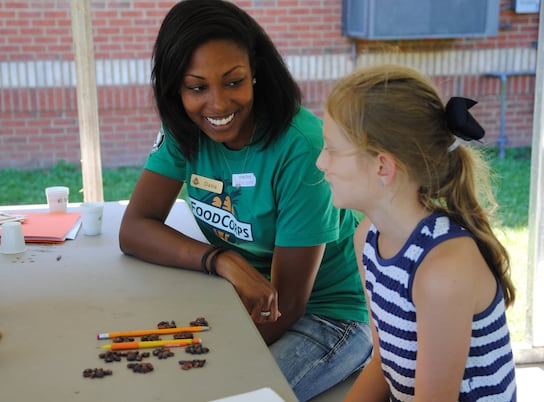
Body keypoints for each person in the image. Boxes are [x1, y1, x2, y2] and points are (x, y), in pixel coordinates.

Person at [118, 0, 372, 400]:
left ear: (256, 71)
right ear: (175, 88)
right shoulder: (185, 128)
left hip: (330, 314)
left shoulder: (300, 146)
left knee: (225, 392)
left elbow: (286, 303)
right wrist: (221, 259)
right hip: (235, 294)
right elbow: (135, 228)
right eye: (197, 87)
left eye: (233, 81)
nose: (217, 104)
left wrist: (207, 359)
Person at [316, 64, 517, 401]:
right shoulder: (367, 238)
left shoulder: (442, 271)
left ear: (383, 166)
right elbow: (383, 364)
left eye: (332, 150)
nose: (321, 162)